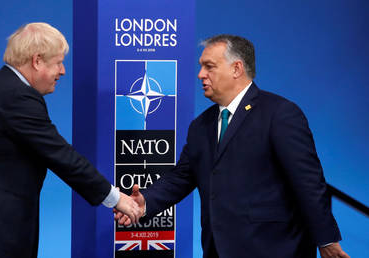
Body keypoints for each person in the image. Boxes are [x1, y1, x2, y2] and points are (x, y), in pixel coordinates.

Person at [115, 35, 349, 258]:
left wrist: (326, 240)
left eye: (209, 66)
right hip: (218, 249)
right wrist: (145, 202)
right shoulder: (200, 125)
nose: (200, 75)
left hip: (273, 249)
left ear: (236, 69)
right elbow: (182, 177)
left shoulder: (279, 114)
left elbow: (307, 181)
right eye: (201, 67)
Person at [0, 22, 141, 258]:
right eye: (58, 62)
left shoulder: (0, 88)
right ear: (37, 60)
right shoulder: (14, 95)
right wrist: (114, 198)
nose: (62, 71)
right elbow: (61, 155)